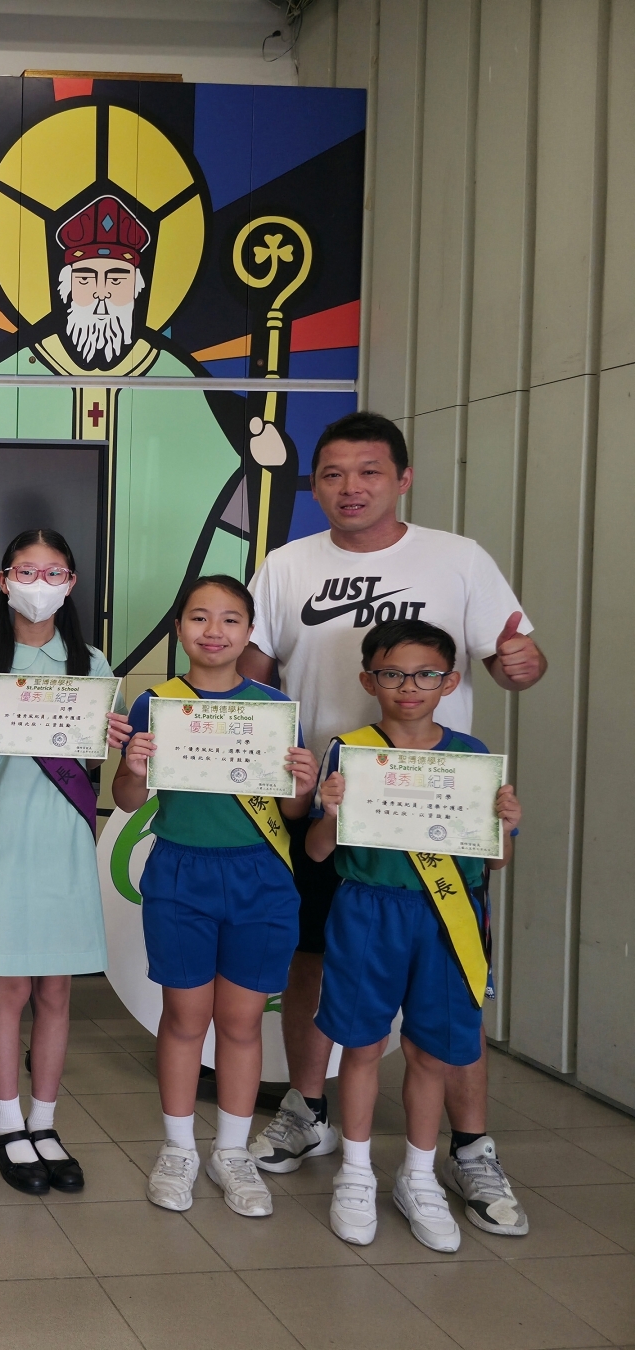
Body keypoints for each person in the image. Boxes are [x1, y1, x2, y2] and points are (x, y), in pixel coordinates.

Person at [241, 410, 544, 1238]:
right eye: (334, 474)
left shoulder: (459, 558)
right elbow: (252, 676)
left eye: (370, 471)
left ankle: (470, 1148)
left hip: (442, 815)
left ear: (403, 478)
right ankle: (307, 1110)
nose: (352, 488)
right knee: (312, 962)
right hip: (328, 800)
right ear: (315, 486)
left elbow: (515, 658)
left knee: (454, 984)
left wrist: (524, 663)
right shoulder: (287, 564)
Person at [305, 619, 520, 1251]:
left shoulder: (472, 755)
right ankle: (355, 1172)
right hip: (367, 909)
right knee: (362, 1045)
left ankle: (419, 1176)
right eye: (393, 674)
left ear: (450, 682)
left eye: (427, 674)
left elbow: (496, 862)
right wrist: (332, 811)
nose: (409, 687)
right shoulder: (349, 751)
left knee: (431, 1051)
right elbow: (316, 851)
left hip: (448, 914)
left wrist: (504, 824)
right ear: (368, 679)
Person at [112, 576, 317, 1219]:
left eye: (230, 619)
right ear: (180, 629)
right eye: (199, 617)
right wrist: (134, 767)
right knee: (184, 1019)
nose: (214, 630)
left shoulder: (275, 709)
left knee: (240, 1022)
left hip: (261, 876)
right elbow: (127, 799)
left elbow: (291, 811)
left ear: (250, 632)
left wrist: (304, 784)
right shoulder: (156, 704)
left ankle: (232, 1150)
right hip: (181, 872)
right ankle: (178, 1148)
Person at [0, 530, 131, 1195]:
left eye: (53, 572)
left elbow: (93, 762)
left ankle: (45, 1121)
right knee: (10, 989)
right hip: (5, 836)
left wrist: (111, 741)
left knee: (57, 990)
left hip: (64, 837)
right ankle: (7, 1123)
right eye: (26, 571)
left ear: (71, 583)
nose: (39, 584)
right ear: (4, 580)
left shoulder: (92, 663)